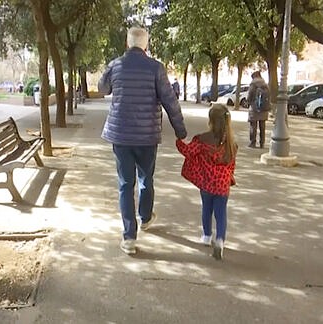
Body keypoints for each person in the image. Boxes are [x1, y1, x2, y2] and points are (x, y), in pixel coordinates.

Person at [98, 26, 187, 255]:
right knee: (146, 178)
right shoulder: (156, 68)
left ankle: (129, 238)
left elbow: (102, 89)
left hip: (121, 136)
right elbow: (170, 100)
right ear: (145, 45)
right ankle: (145, 217)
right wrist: (180, 130)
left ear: (128, 44)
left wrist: (109, 72)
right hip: (147, 136)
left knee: (125, 185)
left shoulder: (116, 65)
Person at [176, 103, 237, 260]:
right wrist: (229, 177)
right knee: (221, 213)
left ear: (210, 121)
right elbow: (232, 164)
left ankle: (207, 235)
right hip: (222, 184)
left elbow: (188, 152)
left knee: (207, 209)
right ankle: (220, 241)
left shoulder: (202, 140)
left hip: (207, 182)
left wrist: (178, 140)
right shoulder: (231, 143)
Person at [246, 71, 270, 148]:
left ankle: (253, 142)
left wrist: (249, 102)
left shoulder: (253, 84)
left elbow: (249, 95)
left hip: (254, 108)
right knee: (262, 127)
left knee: (253, 126)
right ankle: (262, 143)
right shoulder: (265, 85)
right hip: (264, 108)